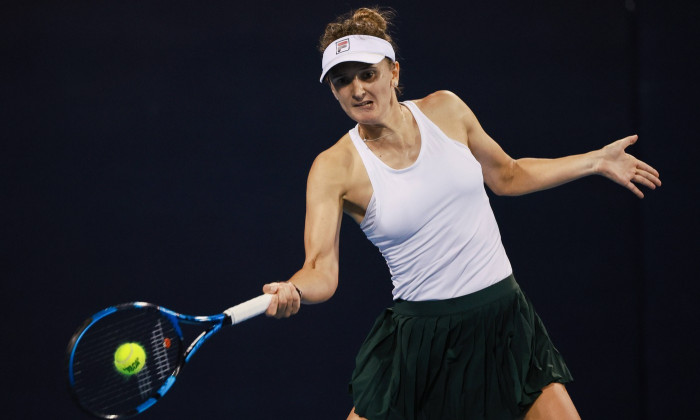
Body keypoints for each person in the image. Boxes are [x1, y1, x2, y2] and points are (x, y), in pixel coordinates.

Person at [260, 7, 661, 420]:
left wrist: (595, 161)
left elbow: (507, 174)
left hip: (503, 319)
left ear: (393, 72)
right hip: (423, 339)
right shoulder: (333, 167)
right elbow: (320, 270)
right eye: (342, 81)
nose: (357, 89)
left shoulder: (446, 110)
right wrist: (294, 288)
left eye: (367, 74)